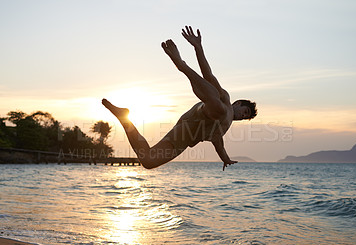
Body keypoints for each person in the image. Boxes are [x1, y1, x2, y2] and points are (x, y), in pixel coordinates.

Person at [102, 26, 257, 170]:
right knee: (220, 107)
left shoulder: (223, 128)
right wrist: (198, 47)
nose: (243, 115)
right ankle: (181, 65)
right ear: (238, 103)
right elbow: (208, 74)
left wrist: (225, 158)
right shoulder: (226, 99)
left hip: (184, 135)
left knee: (148, 161)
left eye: (245, 117)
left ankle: (124, 118)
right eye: (244, 110)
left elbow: (218, 143)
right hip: (200, 112)